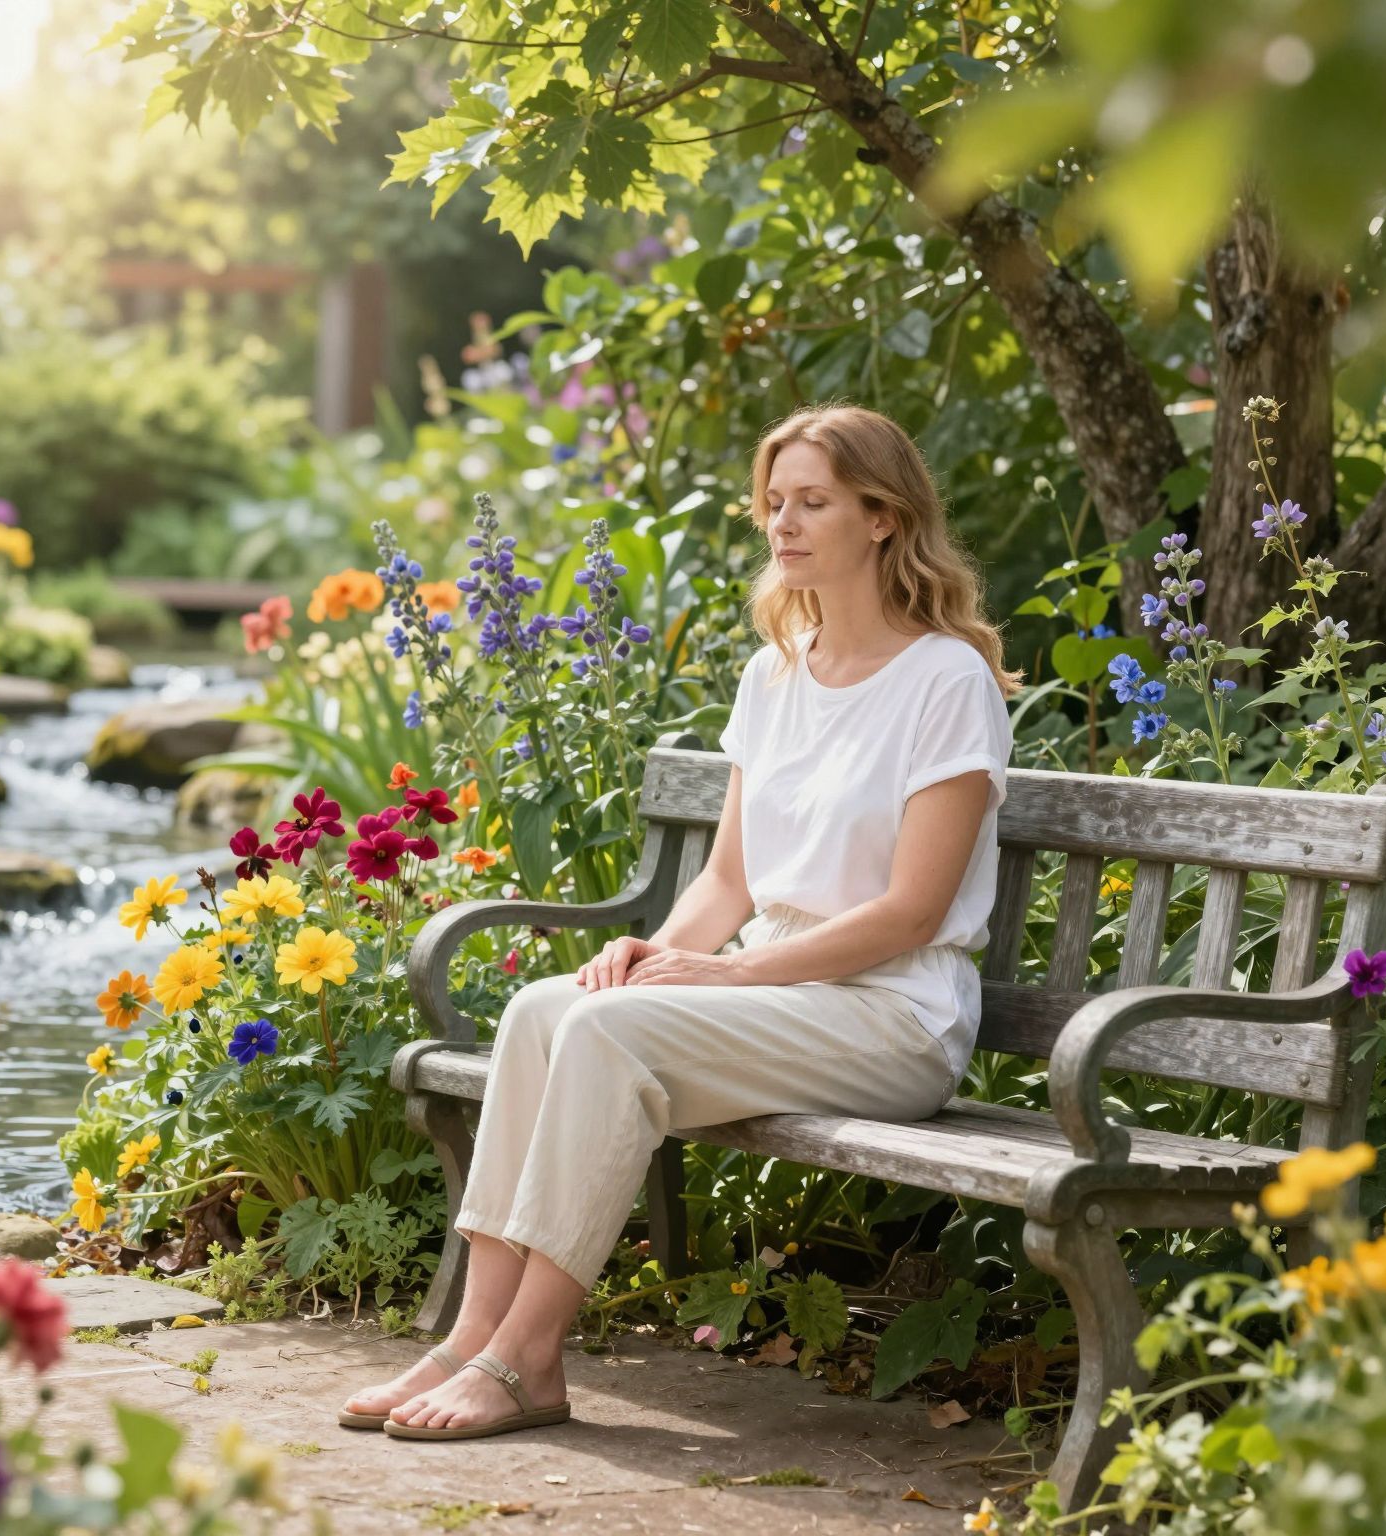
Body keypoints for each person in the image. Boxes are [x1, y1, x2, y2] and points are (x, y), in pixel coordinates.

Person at [339, 401, 1021, 1440]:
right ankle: (472, 1334)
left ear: (881, 517)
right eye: (772, 505)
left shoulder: (944, 681)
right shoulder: (774, 674)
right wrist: (661, 951)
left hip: (891, 1016)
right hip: (777, 998)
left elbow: (910, 910)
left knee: (608, 1032)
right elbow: (726, 885)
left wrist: (734, 978)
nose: (782, 525)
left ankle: (527, 1360)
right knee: (542, 1007)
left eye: (812, 503)